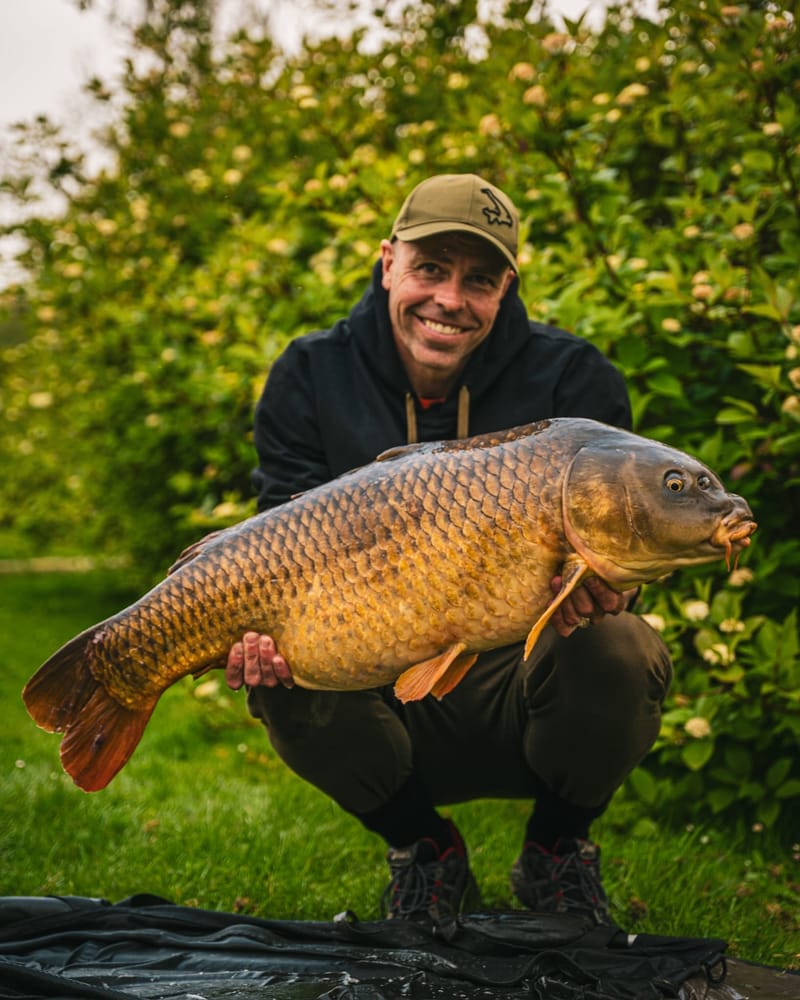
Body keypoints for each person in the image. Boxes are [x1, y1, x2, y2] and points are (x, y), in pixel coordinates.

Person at [225, 173, 672, 934]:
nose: (450, 300)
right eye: (430, 269)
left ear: (507, 288)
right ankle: (424, 848)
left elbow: (623, 540)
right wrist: (253, 627)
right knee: (282, 666)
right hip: (370, 676)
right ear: (388, 262)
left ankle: (556, 849)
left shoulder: (574, 380)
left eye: (479, 279)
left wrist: (613, 590)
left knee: (621, 647)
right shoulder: (309, 372)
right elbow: (275, 540)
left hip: (518, 681)